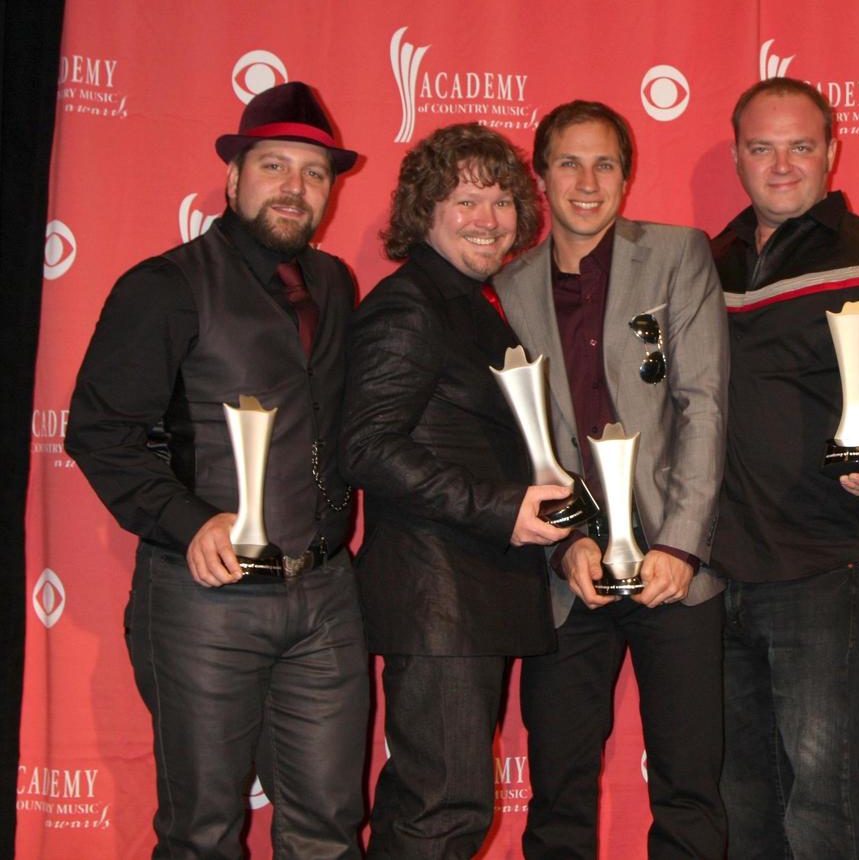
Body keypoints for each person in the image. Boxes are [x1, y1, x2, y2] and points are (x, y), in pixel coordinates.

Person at [66, 81, 368, 858]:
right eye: (274, 166)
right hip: (206, 602)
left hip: (328, 595)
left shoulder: (336, 285)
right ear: (234, 180)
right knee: (203, 833)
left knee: (330, 831)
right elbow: (100, 432)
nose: (294, 188)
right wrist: (187, 519)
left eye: (314, 173)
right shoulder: (165, 285)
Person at [709, 77, 859, 858]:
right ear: (738, 156)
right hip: (719, 573)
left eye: (800, 146)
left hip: (830, 563)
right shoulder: (702, 265)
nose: (781, 165)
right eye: (761, 147)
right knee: (744, 804)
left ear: (832, 153)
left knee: (826, 810)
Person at [495, 99, 729, 858]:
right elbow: (515, 437)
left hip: (673, 566)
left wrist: (684, 547)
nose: (586, 181)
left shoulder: (677, 253)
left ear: (627, 177)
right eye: (568, 162)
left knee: (690, 790)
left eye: (604, 164)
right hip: (569, 576)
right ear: (540, 176)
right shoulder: (507, 282)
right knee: (558, 795)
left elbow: (703, 405)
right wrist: (564, 546)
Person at [340, 123, 571, 858]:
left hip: (469, 594)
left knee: (430, 805)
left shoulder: (470, 302)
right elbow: (366, 446)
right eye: (465, 200)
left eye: (502, 201)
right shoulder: (411, 304)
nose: (488, 219)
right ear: (424, 210)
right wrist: (501, 508)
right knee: (444, 811)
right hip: (439, 600)